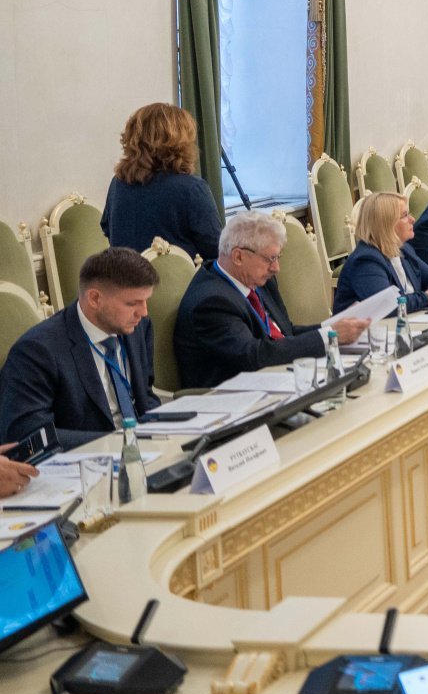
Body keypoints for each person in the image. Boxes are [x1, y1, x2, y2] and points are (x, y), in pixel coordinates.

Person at [175, 212, 370, 389]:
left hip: (275, 381)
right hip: (231, 398)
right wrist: (330, 336)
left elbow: (285, 333)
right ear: (238, 257)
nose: (276, 268)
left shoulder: (257, 279)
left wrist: (334, 326)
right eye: (270, 259)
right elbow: (255, 356)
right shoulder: (211, 302)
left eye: (277, 257)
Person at [0, 247, 162, 450]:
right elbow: (30, 434)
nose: (143, 312)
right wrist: (117, 442)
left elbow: (144, 396)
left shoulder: (138, 328)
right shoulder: (37, 351)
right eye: (132, 303)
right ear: (95, 299)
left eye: (145, 301)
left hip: (143, 450)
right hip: (85, 459)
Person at [102, 102, 221, 261]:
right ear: (180, 144)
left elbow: (107, 229)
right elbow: (216, 249)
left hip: (124, 274)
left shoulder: (118, 184)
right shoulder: (192, 189)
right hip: (177, 276)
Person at [334, 192, 428, 315]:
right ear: (386, 224)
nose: (412, 219)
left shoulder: (404, 249)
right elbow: (388, 305)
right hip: (372, 327)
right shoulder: (366, 260)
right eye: (405, 215)